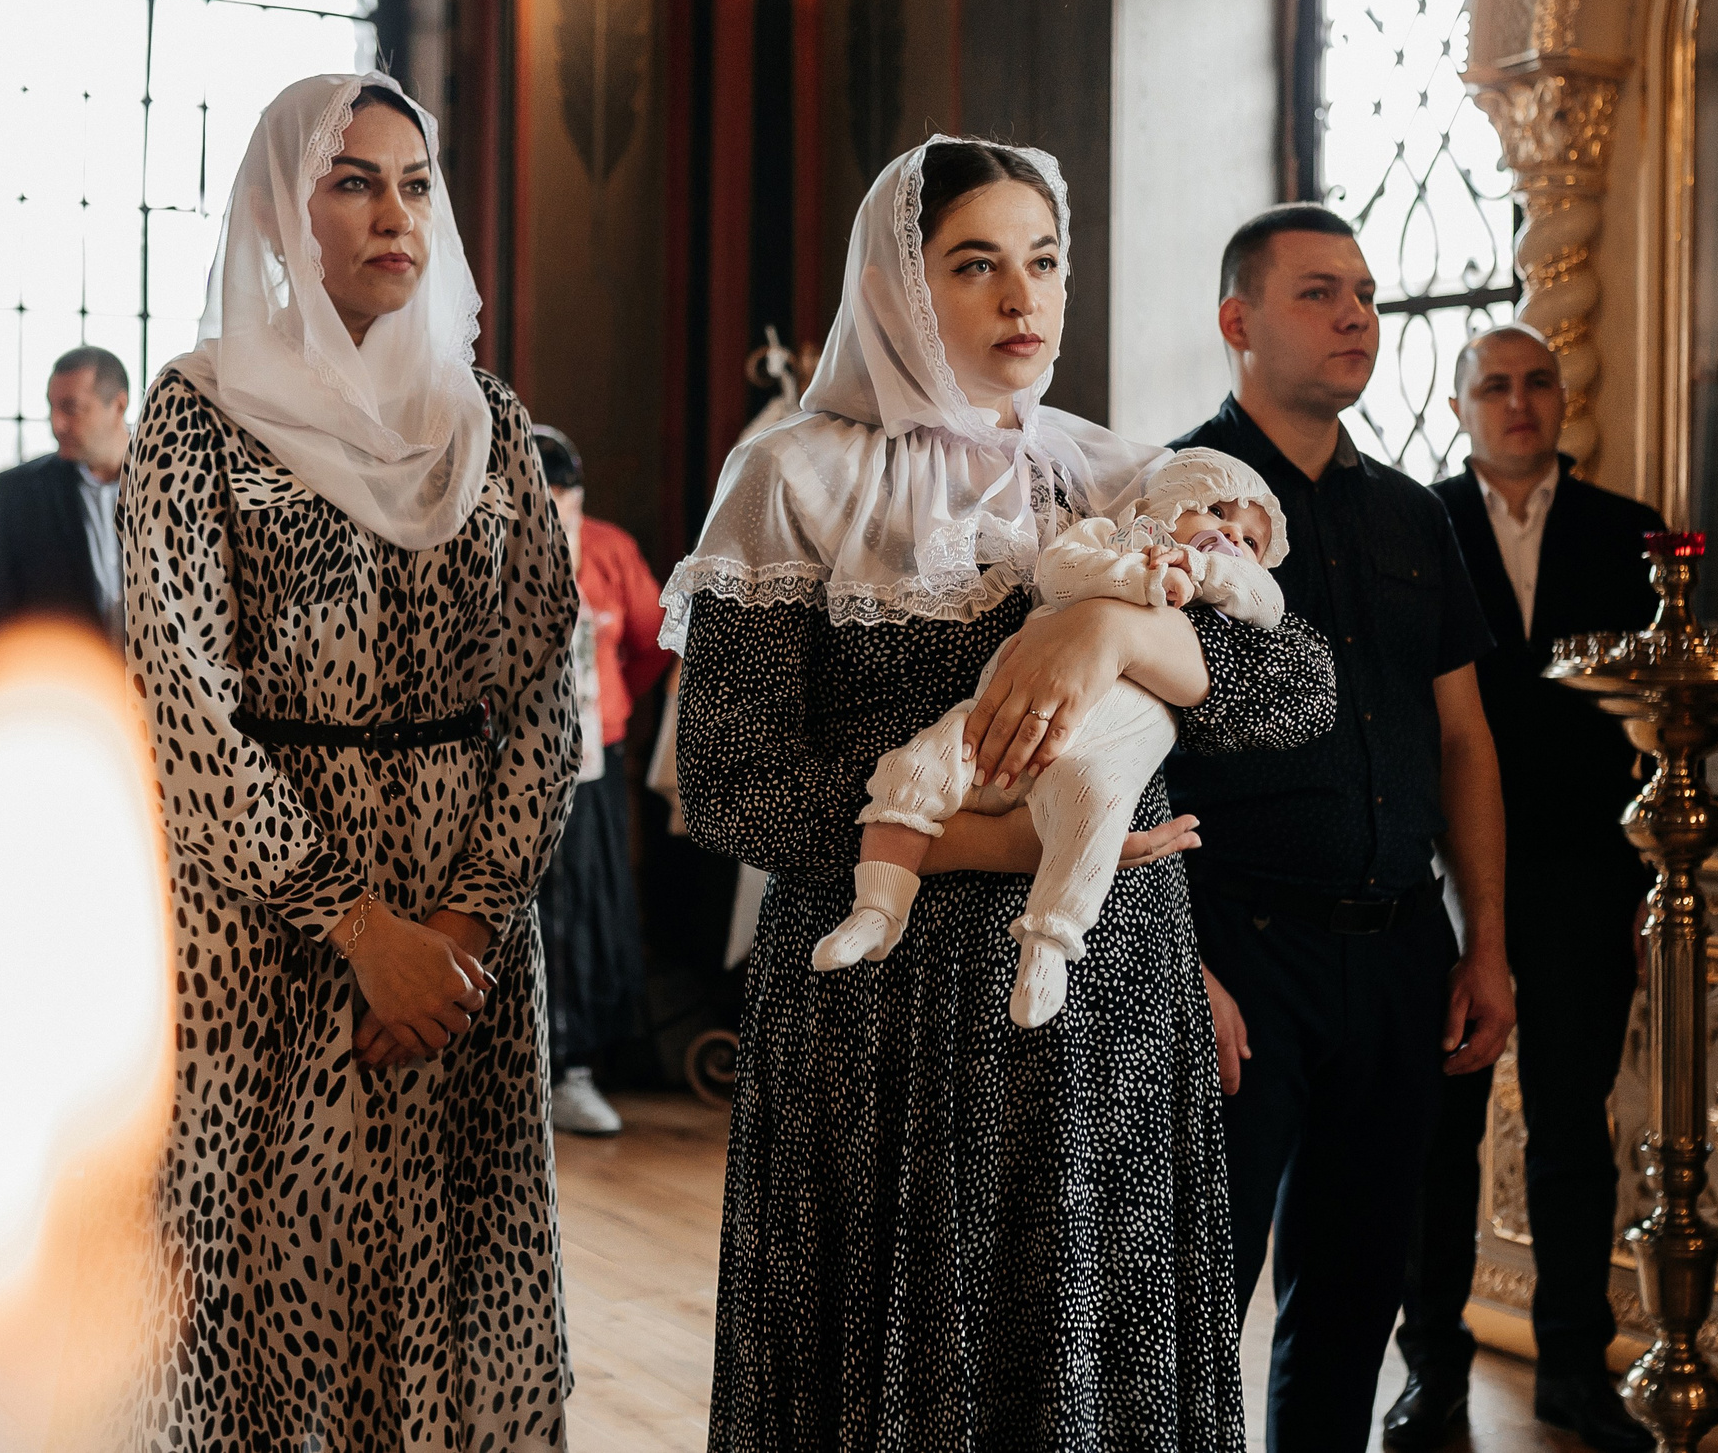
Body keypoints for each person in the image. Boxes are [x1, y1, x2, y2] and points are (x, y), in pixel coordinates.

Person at [670, 136, 1337, 1449]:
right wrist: (984, 843)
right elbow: (733, 785)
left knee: (1093, 1361)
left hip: (1111, 1010)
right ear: (902, 285)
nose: (1023, 298)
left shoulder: (1116, 470)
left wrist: (1117, 637)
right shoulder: (795, 475)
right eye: (977, 266)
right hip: (891, 1019)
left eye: (1043, 262)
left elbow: (1295, 689)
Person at [120, 73, 582, 1450]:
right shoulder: (197, 414)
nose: (396, 212)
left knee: (459, 1311)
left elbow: (547, 691)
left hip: (465, 937)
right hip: (266, 934)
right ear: (285, 207)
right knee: (263, 1310)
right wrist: (355, 925)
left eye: (417, 182)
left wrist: (458, 925)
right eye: (354, 180)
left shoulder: (484, 418)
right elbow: (185, 708)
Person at [1164, 202, 1515, 1453]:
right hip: (1234, 947)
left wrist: (1483, 942)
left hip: (1399, 948)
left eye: (1364, 291)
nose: (1357, 314)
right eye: (1320, 291)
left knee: (1356, 1293)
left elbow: (1464, 740)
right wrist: (1173, 960)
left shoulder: (1417, 517)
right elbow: (1124, 750)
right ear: (1237, 322)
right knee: (1191, 1295)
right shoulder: (1170, 499)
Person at [1390, 323, 1665, 1453]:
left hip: (1585, 873)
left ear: (1562, 398)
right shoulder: (1419, 526)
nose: (1517, 402)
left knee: (1571, 1133)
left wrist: (1645, 881)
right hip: (1444, 873)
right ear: (1459, 406)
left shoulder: (1627, 532)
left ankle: (1572, 1372)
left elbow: (1655, 720)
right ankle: (1432, 1379)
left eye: (1536, 382)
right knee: (1437, 1142)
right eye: (1493, 385)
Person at [813, 446, 1288, 1027]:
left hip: (1099, 749)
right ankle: (878, 906)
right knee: (915, 767)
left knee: (1095, 803)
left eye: (1252, 541)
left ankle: (1049, 944)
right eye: (1216, 510)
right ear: (1167, 503)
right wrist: (1141, 577)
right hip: (993, 722)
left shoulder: (1227, 603)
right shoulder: (1113, 537)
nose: (1233, 535)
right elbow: (1059, 571)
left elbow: (1272, 607)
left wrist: (1205, 569)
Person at [529, 422, 673, 1136]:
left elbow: (653, 642)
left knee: (588, 903)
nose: (554, 509)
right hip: (510, 758)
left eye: (564, 496)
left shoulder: (611, 551)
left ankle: (576, 1065)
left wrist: (613, 706)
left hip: (595, 752)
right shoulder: (490, 545)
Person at [0, 345, 130, 646]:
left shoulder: (171, 484)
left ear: (118, 406)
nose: (56, 424)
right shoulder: (19, 494)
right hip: (60, 690)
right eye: (52, 407)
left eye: (71, 408)